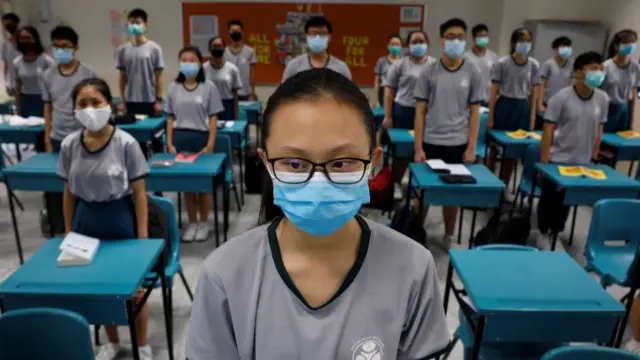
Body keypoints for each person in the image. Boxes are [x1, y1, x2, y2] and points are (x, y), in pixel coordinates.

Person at [185, 68, 449, 359]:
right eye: (295, 164)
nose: (319, 181)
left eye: (341, 163)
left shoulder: (412, 269)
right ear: (267, 162)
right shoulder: (224, 276)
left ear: (373, 161)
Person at [57, 78, 152, 360]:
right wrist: (67, 230)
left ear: (109, 104)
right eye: (82, 104)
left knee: (134, 288)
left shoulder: (126, 143)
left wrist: (143, 238)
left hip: (119, 217)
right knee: (97, 285)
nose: (89, 109)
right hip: (86, 220)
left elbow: (140, 195)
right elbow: (68, 193)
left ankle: (142, 344)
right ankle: (112, 341)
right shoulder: (70, 145)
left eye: (96, 102)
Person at [414, 18, 482, 245]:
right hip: (431, 141)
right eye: (451, 37)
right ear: (442, 41)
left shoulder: (473, 70)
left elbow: (474, 113)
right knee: (424, 193)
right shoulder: (429, 71)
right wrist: (418, 148)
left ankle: (449, 235)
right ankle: (415, 233)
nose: (456, 41)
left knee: (452, 195)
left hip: (457, 143)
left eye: (460, 37)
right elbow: (420, 111)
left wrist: (471, 147)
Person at [537, 52, 608, 248]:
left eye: (601, 68)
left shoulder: (602, 99)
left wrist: (594, 156)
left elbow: (599, 129)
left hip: (582, 161)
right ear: (578, 72)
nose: (599, 72)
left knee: (566, 202)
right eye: (593, 68)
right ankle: (543, 232)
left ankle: (556, 231)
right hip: (558, 158)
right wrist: (544, 162)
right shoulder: (562, 97)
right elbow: (548, 129)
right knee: (550, 199)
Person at [166, 46, 224, 242]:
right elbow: (169, 117)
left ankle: (204, 222)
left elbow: (214, 117)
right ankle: (192, 223)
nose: (188, 63)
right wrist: (169, 141)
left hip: (201, 138)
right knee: (188, 186)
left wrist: (210, 144)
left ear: (200, 63)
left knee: (203, 186)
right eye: (184, 60)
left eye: (192, 60)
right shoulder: (173, 87)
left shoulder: (209, 87)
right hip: (181, 138)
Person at [383, 30, 435, 191]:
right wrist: (388, 116)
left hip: (427, 114)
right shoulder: (400, 64)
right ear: (408, 45)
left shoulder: (435, 65)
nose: (418, 45)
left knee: (423, 151)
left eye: (421, 41)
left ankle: (418, 187)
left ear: (427, 44)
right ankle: (396, 184)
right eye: (414, 42)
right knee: (402, 152)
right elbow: (389, 91)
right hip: (404, 111)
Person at [488, 27, 540, 189]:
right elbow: (494, 90)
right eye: (522, 41)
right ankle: (490, 182)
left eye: (528, 41)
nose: (525, 44)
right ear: (513, 43)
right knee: (495, 147)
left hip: (522, 106)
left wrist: (532, 117)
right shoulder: (502, 63)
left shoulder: (533, 64)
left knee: (514, 149)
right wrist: (490, 115)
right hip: (504, 104)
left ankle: (505, 183)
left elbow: (534, 93)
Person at [42, 25, 97, 153]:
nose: (60, 50)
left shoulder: (89, 73)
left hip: (83, 134)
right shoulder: (47, 75)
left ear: (76, 47)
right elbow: (47, 108)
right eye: (56, 46)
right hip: (57, 136)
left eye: (65, 46)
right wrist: (47, 139)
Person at [116, 8, 165, 117]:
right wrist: (122, 101)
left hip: (150, 100)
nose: (134, 25)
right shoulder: (122, 49)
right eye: (132, 23)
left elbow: (159, 77)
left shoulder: (155, 49)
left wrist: (158, 100)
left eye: (138, 22)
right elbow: (122, 77)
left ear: (145, 25)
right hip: (130, 101)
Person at [281, 16, 351, 82]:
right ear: (306, 37)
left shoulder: (341, 68)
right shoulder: (294, 66)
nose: (317, 38)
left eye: (322, 34)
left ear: (329, 38)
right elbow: (282, 93)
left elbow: (350, 94)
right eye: (313, 34)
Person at [600, 29, 640, 133]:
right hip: (608, 109)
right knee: (604, 142)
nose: (629, 45)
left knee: (620, 142)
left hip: (624, 110)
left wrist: (631, 122)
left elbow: (633, 94)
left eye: (632, 43)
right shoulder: (606, 66)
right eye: (625, 43)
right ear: (616, 46)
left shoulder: (635, 67)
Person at [13, 26, 54, 117]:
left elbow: (54, 86)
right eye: (22, 39)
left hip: (44, 101)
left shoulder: (46, 60)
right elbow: (17, 89)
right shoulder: (17, 62)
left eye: (28, 38)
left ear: (35, 39)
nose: (25, 41)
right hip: (26, 101)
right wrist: (18, 109)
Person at [537, 36, 573, 127]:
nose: (565, 50)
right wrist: (540, 104)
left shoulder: (571, 65)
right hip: (547, 103)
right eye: (562, 47)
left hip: (562, 104)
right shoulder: (549, 64)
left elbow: (571, 83)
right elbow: (541, 84)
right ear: (555, 49)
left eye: (567, 47)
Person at [203, 36, 242, 120]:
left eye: (219, 46)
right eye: (214, 46)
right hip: (209, 104)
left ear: (224, 48)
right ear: (209, 48)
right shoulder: (203, 69)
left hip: (227, 105)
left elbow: (235, 95)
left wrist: (236, 116)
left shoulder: (232, 69)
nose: (217, 48)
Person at [464, 24, 498, 107]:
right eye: (480, 36)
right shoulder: (466, 57)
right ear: (473, 38)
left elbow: (497, 79)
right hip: (471, 101)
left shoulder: (493, 56)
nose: (483, 39)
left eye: (485, 36)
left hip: (489, 100)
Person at [224, 20, 257, 101]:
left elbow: (252, 75)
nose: (235, 33)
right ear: (229, 34)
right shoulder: (223, 52)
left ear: (242, 33)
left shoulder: (250, 51)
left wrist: (252, 93)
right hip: (227, 93)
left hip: (245, 93)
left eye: (237, 31)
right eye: (233, 31)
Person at [373, 34, 402, 107]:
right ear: (388, 46)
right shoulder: (381, 61)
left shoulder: (404, 62)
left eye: (397, 44)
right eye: (392, 44)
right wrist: (376, 100)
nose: (395, 46)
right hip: (384, 92)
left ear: (401, 46)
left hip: (400, 92)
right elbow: (377, 81)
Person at [1, 13, 20, 95]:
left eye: (10, 24)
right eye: (5, 25)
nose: (8, 27)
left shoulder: (26, 41)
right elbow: (6, 65)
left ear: (17, 23)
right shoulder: (5, 45)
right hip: (12, 84)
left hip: (28, 84)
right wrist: (6, 83)